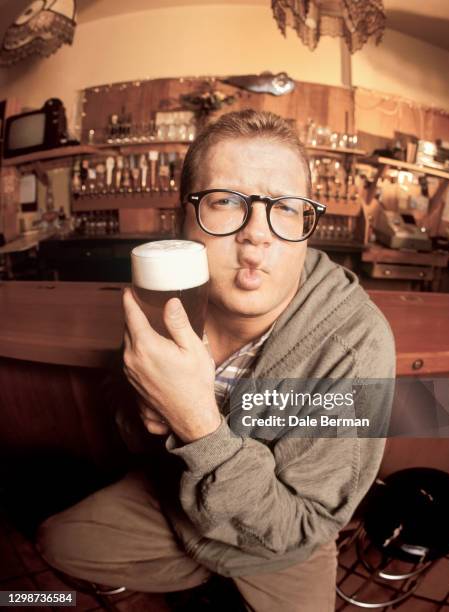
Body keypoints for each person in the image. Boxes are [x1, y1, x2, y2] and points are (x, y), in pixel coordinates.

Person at [36, 110, 396, 612]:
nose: (258, 234)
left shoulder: (354, 350)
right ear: (181, 218)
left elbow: (302, 527)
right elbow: (129, 431)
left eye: (287, 208)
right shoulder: (166, 292)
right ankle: (201, 575)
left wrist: (198, 425)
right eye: (226, 201)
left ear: (308, 226)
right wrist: (144, 412)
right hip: (174, 508)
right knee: (56, 543)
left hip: (278, 549)